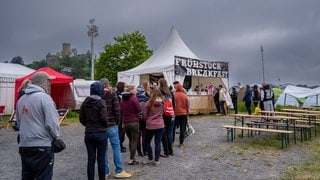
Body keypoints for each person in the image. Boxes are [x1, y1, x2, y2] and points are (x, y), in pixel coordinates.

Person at [16, 71, 61, 180]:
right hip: (42, 146)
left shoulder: (21, 100)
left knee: (27, 177)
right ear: (43, 82)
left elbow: (18, 122)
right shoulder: (45, 98)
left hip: (25, 145)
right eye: (49, 81)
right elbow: (52, 123)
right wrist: (56, 137)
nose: (50, 84)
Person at [100, 78, 131, 179]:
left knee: (103, 149)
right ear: (107, 84)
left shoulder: (97, 95)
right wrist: (117, 122)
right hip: (112, 124)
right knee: (116, 148)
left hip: (101, 126)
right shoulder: (112, 94)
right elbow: (117, 109)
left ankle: (105, 171)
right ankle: (119, 170)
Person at [79, 81, 109, 180]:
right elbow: (104, 118)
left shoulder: (85, 102)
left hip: (89, 132)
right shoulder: (101, 102)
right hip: (101, 133)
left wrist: (88, 124)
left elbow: (81, 118)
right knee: (101, 160)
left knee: (91, 160)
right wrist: (106, 125)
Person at [142, 89, 165, 166]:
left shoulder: (148, 103)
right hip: (160, 124)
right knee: (158, 143)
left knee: (146, 142)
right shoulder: (162, 102)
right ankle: (157, 160)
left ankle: (150, 157)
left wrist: (147, 120)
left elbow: (144, 115)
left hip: (150, 125)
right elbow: (163, 112)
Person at [120, 85, 141, 165]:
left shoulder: (122, 100)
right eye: (135, 89)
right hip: (134, 122)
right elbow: (138, 109)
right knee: (134, 140)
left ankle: (132, 157)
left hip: (126, 122)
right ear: (131, 90)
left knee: (130, 140)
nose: (136, 91)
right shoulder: (133, 98)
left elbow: (121, 110)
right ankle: (132, 159)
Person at [158, 78, 174, 157]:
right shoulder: (169, 92)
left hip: (163, 114)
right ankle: (170, 150)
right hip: (169, 114)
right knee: (168, 132)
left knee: (164, 134)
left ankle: (166, 152)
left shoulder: (160, 92)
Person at [173, 83, 189, 148]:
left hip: (175, 114)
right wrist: (188, 115)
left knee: (173, 129)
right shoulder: (185, 96)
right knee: (182, 129)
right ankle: (181, 143)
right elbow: (187, 106)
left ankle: (171, 142)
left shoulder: (173, 95)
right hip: (183, 114)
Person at [136, 85, 149, 157]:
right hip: (145, 118)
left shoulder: (134, 99)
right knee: (144, 135)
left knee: (138, 135)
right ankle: (145, 151)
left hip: (137, 119)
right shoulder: (147, 99)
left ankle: (139, 152)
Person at [115, 81, 127, 153]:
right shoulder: (117, 94)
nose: (125, 88)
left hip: (123, 114)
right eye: (124, 87)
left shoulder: (122, 94)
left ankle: (121, 144)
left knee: (122, 131)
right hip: (119, 115)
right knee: (120, 131)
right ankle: (119, 145)